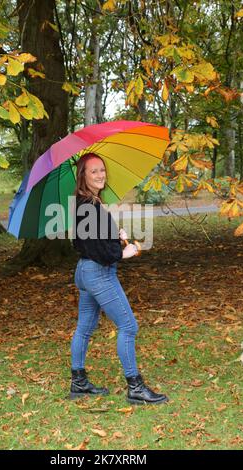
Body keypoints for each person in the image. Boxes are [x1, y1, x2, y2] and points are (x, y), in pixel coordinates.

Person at [70, 153, 169, 405]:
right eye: (94, 171)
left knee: (85, 327)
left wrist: (115, 234)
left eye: (102, 170)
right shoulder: (88, 207)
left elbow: (83, 241)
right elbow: (98, 250)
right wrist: (123, 251)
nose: (101, 175)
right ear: (83, 175)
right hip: (98, 274)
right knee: (128, 327)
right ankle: (135, 387)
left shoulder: (86, 203)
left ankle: (78, 383)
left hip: (85, 272)